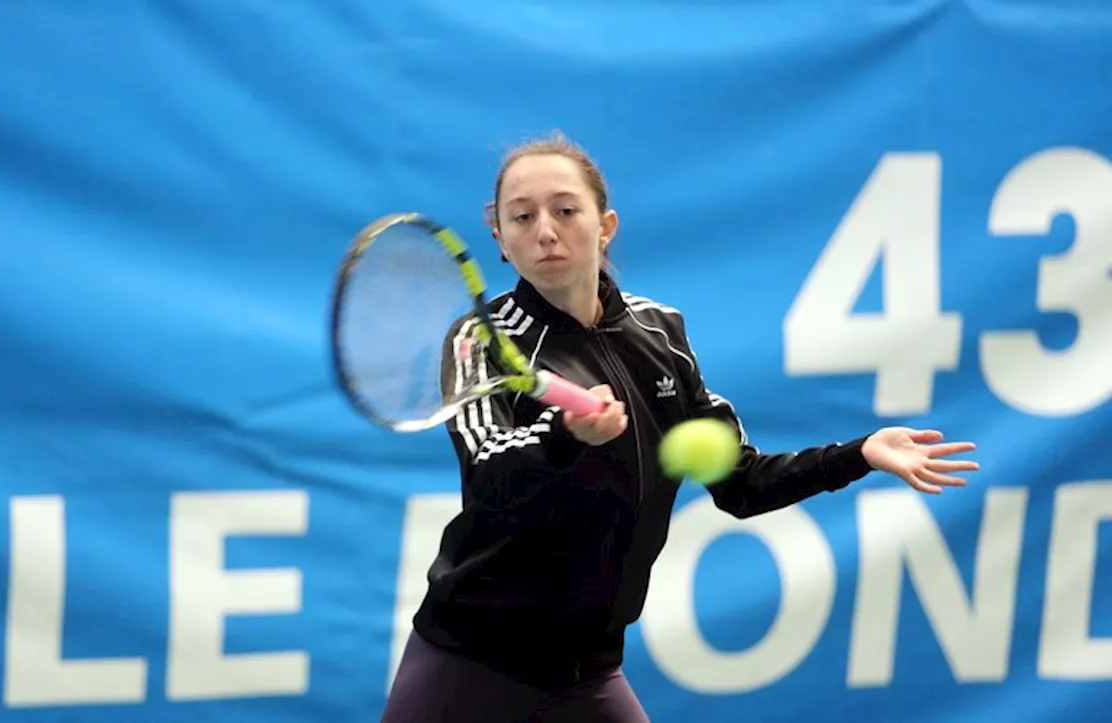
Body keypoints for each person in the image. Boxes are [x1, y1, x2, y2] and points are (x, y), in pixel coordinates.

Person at [379, 132, 979, 722]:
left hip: (587, 671)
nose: (544, 230)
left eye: (565, 210)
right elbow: (489, 473)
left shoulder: (660, 333)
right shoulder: (481, 341)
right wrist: (566, 437)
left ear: (605, 225)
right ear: (501, 240)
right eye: (522, 216)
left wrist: (861, 453)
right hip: (472, 657)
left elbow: (740, 483)